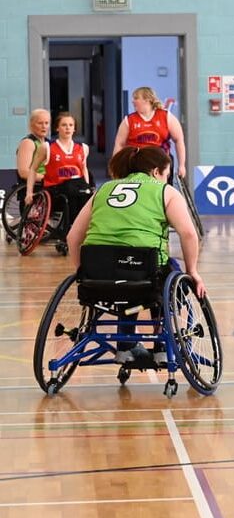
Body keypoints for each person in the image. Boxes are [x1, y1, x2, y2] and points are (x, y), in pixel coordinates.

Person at [67, 146, 204, 364]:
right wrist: (193, 271)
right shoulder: (165, 192)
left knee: (126, 277)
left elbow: (73, 237)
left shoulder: (103, 189)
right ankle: (161, 348)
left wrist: (81, 273)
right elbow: (188, 234)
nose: (166, 180)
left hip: (97, 272)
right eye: (166, 175)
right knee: (167, 274)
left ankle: (125, 347)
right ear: (156, 171)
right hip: (143, 272)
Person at [25, 112, 92, 237]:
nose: (68, 128)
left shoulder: (83, 148)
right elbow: (33, 169)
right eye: (64, 125)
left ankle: (85, 230)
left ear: (74, 128)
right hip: (55, 189)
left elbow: (84, 169)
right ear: (57, 128)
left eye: (71, 125)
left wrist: (86, 186)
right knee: (71, 190)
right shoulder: (47, 147)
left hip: (76, 187)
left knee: (87, 193)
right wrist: (29, 192)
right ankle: (70, 230)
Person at [113, 86, 187, 179]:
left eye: (136, 98)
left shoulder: (165, 116)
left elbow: (179, 140)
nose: (132, 101)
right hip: (136, 163)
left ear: (146, 100)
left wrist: (181, 165)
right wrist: (115, 166)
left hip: (160, 161)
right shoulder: (129, 120)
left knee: (161, 190)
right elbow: (119, 144)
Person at [16, 108, 51, 184]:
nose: (44, 126)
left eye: (46, 123)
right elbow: (24, 172)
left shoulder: (49, 143)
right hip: (35, 187)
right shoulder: (28, 143)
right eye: (40, 123)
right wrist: (48, 179)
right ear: (31, 125)